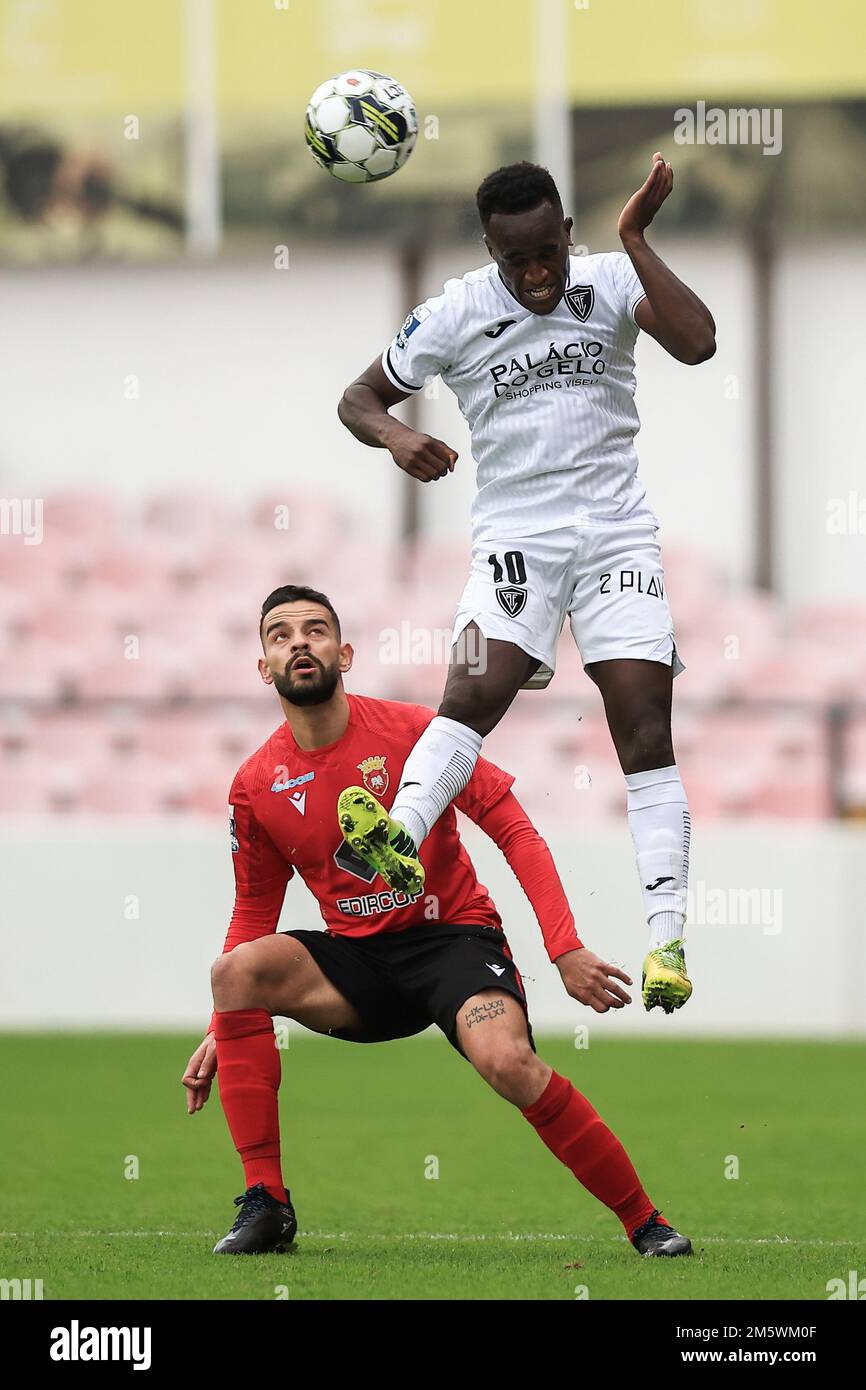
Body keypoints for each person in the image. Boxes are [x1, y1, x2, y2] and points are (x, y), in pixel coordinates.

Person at [181, 584, 691, 1258]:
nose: (299, 642)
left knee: (508, 1063)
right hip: (357, 966)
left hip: (453, 942)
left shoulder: (417, 733)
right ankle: (267, 1206)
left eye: (315, 630)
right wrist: (227, 1021)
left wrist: (564, 948)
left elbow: (515, 830)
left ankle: (646, 1223)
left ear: (345, 652)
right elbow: (253, 909)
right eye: (280, 634)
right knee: (234, 972)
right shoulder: (257, 783)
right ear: (263, 666)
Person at [337, 155, 716, 1013]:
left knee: (645, 731)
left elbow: (700, 343)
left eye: (550, 252)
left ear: (568, 234)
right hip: (515, 541)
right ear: (491, 250)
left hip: (617, 535)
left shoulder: (614, 277)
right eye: (520, 262)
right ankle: (394, 840)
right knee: (473, 694)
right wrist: (395, 437)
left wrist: (634, 238)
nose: (539, 275)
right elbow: (358, 397)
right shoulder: (456, 309)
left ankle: (667, 942)